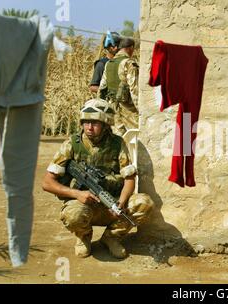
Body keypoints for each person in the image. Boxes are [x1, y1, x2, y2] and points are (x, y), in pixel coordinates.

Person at [42, 98, 154, 259]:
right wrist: (77, 194)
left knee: (144, 204)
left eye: (94, 123)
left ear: (105, 124)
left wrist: (120, 203)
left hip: (111, 203)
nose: (89, 127)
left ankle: (111, 238)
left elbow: (130, 178)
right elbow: (47, 182)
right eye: (86, 122)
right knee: (73, 215)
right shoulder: (72, 144)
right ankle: (84, 237)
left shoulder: (117, 143)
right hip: (83, 204)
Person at [98, 37, 139, 136]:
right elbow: (134, 91)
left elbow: (102, 88)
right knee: (135, 139)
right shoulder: (129, 63)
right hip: (128, 110)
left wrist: (102, 108)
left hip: (112, 108)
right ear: (130, 48)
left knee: (117, 140)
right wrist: (141, 111)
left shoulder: (109, 63)